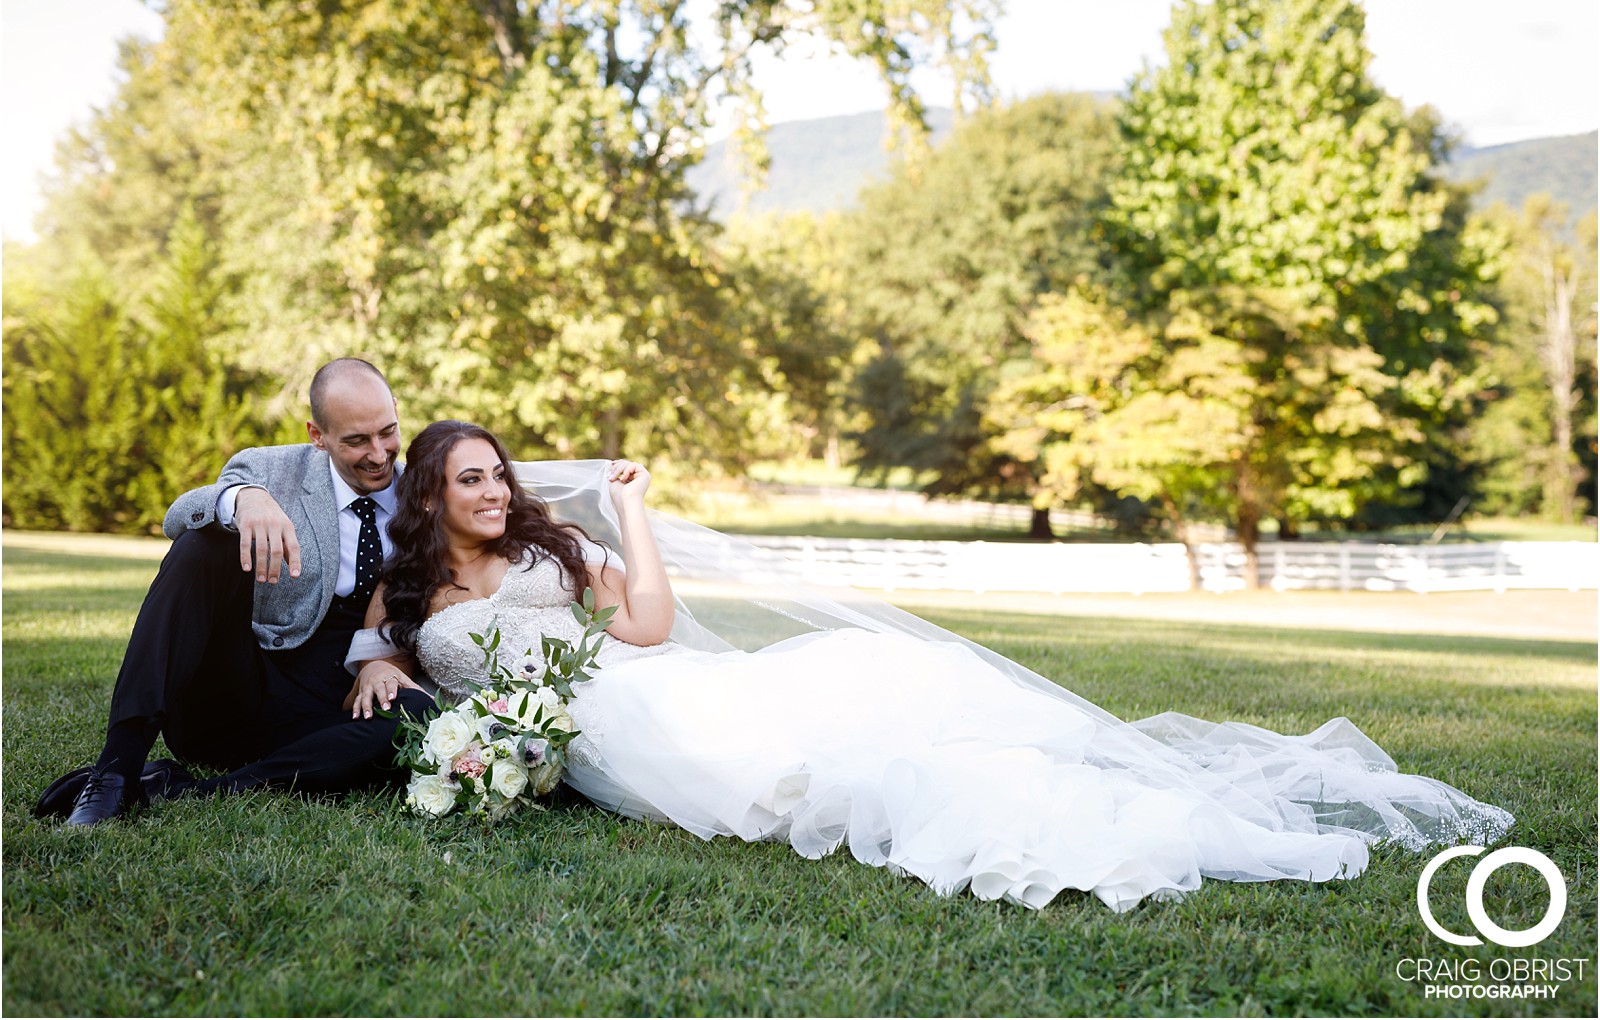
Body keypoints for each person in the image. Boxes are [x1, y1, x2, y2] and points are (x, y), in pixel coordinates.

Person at [350, 420, 1515, 912]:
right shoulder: (409, 591)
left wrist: (627, 514)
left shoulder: (557, 547)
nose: (496, 492)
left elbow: (647, 628)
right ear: (431, 497)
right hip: (584, 738)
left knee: (851, 710)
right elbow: (378, 644)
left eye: (501, 473)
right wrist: (372, 663)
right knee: (795, 768)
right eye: (472, 480)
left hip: (642, 690)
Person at [37, 358, 435, 827]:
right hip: (241, 693)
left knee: (414, 714)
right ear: (317, 435)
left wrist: (381, 668)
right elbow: (179, 515)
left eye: (386, 431)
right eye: (355, 441)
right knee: (202, 546)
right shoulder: (273, 468)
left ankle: (179, 790)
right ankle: (115, 769)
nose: (377, 453)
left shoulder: (426, 495)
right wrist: (242, 498)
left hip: (338, 716)